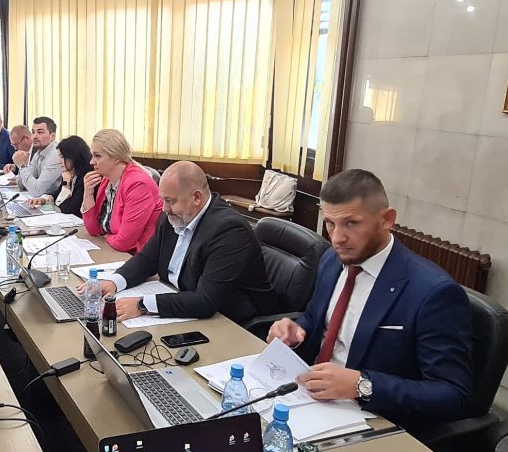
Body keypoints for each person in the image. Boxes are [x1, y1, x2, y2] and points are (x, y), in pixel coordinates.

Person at [267, 169, 472, 431]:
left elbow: (454, 394)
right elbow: (315, 319)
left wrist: (362, 385)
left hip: (374, 420)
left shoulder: (433, 292)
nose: (337, 238)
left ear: (387, 219)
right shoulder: (332, 260)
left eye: (351, 223)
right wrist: (295, 331)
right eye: (330, 223)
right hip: (309, 399)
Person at [93, 161, 276, 325]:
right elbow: (147, 259)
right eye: (163, 200)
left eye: (170, 201)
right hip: (183, 307)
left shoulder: (229, 230)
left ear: (196, 198)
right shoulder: (173, 216)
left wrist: (142, 304)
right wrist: (114, 282)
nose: (164, 208)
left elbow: (206, 301)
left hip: (234, 324)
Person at [81, 129, 162, 253]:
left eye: (97, 156)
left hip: (136, 255)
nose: (91, 162)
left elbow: (124, 242)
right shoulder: (107, 180)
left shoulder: (138, 184)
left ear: (116, 157)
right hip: (114, 250)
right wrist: (88, 194)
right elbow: (93, 230)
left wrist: (107, 237)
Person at [26, 135, 94, 218]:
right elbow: (57, 194)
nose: (59, 161)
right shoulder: (70, 172)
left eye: (62, 157)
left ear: (74, 156)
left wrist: (66, 185)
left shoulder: (86, 177)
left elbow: (65, 208)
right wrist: (43, 200)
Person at [11, 116, 62, 197]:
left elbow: (37, 190)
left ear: (52, 136)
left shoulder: (56, 155)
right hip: (41, 200)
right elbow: (21, 184)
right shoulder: (38, 153)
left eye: (40, 132)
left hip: (55, 203)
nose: (34, 136)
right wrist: (23, 166)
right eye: (33, 132)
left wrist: (22, 166)